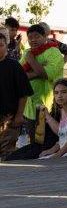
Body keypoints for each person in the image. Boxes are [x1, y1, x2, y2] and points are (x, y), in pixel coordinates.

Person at [20, 24, 64, 142]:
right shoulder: (28, 52)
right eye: (30, 37)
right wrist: (37, 71)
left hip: (49, 106)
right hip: (30, 107)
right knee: (34, 142)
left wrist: (31, 60)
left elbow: (45, 74)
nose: (33, 40)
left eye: (37, 36)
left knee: (49, 141)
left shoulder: (54, 52)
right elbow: (19, 75)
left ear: (45, 36)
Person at [0, 27, 33, 159]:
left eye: (1, 45)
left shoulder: (14, 66)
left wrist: (19, 115)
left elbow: (23, 93)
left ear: (6, 47)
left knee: (6, 153)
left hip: (9, 118)